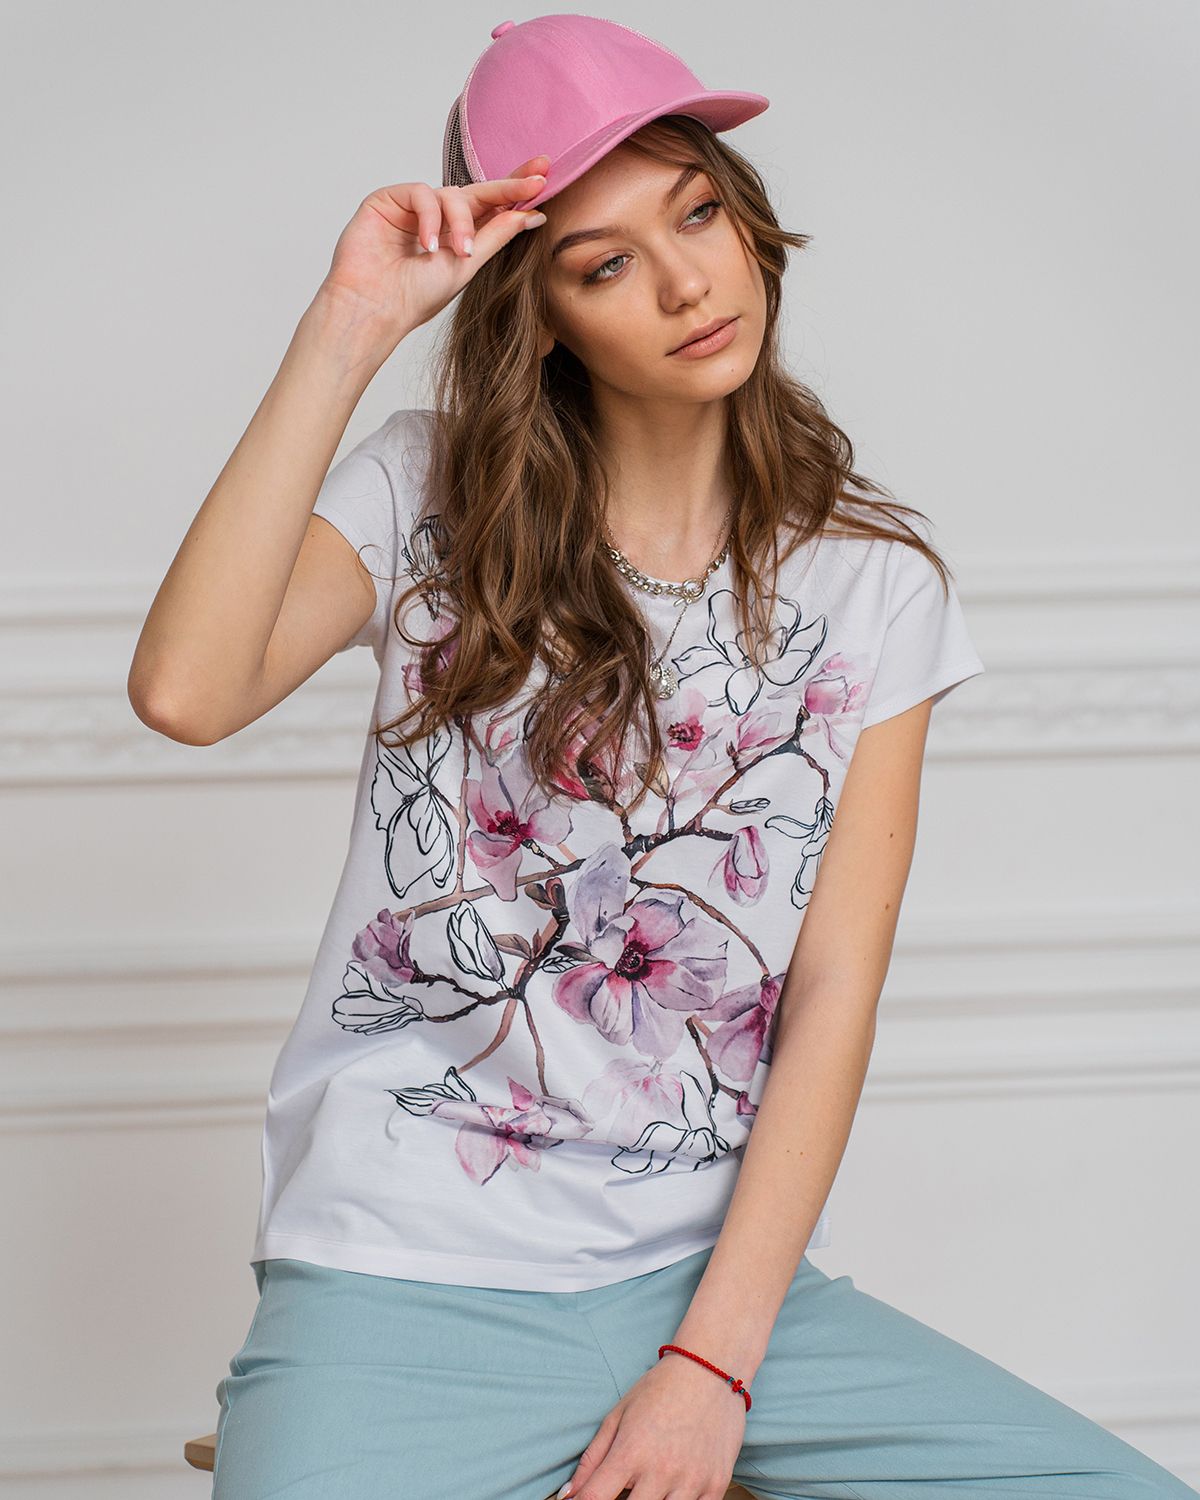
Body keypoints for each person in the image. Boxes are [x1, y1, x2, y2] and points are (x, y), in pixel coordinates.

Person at [129, 15, 1197, 1500]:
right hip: (406, 1274)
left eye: (696, 214)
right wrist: (352, 319)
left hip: (723, 1294)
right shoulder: (427, 494)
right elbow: (186, 692)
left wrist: (711, 1367)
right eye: (605, 262)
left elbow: (831, 993)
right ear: (542, 315)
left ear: (748, 222)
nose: (688, 281)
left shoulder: (874, 588)